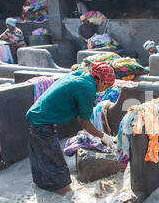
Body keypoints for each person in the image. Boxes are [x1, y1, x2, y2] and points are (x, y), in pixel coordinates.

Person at [25, 61, 117, 195]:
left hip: (34, 118)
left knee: (42, 161)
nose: (105, 90)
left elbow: (80, 116)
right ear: (101, 81)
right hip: (41, 124)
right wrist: (103, 136)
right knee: (58, 170)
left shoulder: (81, 75)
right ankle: (62, 195)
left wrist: (91, 133)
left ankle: (44, 188)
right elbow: (85, 122)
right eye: (106, 86)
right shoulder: (88, 89)